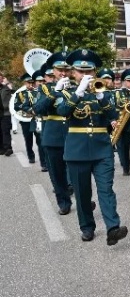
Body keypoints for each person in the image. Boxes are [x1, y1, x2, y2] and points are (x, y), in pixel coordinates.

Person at [56, 49, 128, 245]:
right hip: (77, 150)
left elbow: (113, 115)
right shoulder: (65, 91)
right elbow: (62, 111)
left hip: (101, 148)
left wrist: (101, 97)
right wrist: (78, 92)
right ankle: (87, 227)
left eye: (89, 72)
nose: (85, 75)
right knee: (83, 192)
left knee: (106, 189)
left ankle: (113, 228)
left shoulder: (102, 91)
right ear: (73, 72)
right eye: (80, 71)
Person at [34, 53, 73, 215]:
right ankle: (63, 201)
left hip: (74, 134)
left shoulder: (77, 86)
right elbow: (38, 109)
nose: (63, 73)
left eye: (66, 69)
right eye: (59, 69)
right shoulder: (45, 88)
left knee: (77, 170)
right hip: (53, 136)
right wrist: (54, 93)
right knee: (57, 173)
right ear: (53, 70)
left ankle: (83, 197)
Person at [14, 72, 46, 168]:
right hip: (25, 119)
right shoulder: (20, 94)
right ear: (25, 83)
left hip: (36, 119)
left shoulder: (38, 93)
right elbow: (16, 106)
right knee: (28, 139)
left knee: (40, 140)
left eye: (32, 82)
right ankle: (31, 156)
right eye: (28, 83)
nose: (31, 84)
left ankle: (43, 163)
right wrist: (26, 109)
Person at [115, 68, 130, 176]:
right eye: (129, 81)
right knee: (122, 145)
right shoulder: (119, 93)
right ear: (124, 81)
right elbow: (117, 106)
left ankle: (128, 166)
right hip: (122, 121)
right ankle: (125, 167)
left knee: (128, 145)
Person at [0, 72, 14, 156]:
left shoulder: (6, 87)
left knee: (5, 131)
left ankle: (8, 148)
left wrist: (8, 83)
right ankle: (1, 148)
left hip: (6, 113)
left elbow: (14, 91)